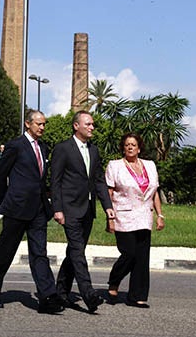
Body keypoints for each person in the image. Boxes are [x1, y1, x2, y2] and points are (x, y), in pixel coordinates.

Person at [0, 109, 63, 314]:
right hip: (17, 208)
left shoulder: (44, 148)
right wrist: (5, 197)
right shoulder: (16, 145)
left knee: (40, 253)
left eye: (44, 124)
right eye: (39, 124)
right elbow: (1, 173)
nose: (43, 127)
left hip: (38, 208)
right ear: (28, 124)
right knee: (6, 251)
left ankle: (47, 296)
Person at [51, 110, 114, 313]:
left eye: (92, 124)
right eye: (88, 124)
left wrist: (108, 207)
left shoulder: (94, 150)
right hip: (69, 209)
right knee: (78, 252)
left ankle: (60, 293)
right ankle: (89, 294)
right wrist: (58, 209)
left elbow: (98, 181)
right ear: (76, 126)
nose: (92, 127)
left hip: (87, 210)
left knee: (74, 252)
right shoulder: (63, 148)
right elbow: (56, 181)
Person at [105, 132, 165, 308]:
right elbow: (108, 193)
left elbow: (154, 193)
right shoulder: (114, 166)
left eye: (133, 145)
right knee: (129, 253)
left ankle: (137, 296)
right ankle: (114, 280)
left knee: (142, 257)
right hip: (123, 216)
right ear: (123, 148)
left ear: (139, 148)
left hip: (144, 216)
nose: (130, 147)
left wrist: (160, 215)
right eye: (126, 145)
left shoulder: (150, 165)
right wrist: (109, 218)